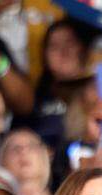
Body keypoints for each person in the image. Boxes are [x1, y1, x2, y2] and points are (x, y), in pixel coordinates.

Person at [30, 19, 89, 147]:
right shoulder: (32, 100)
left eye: (70, 42)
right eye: (54, 46)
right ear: (45, 57)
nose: (64, 51)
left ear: (83, 47)